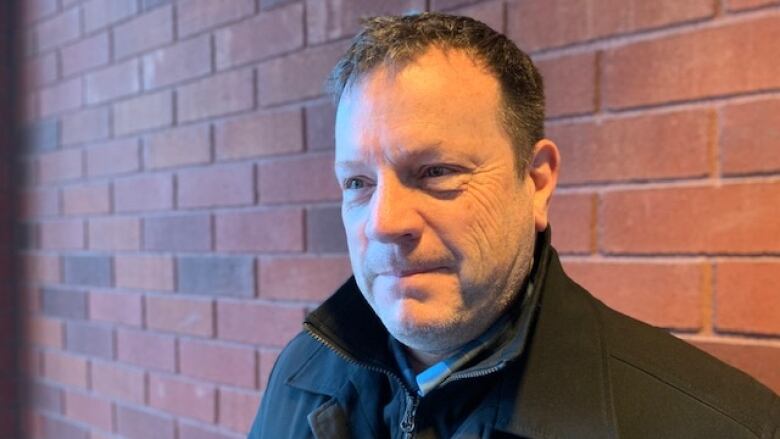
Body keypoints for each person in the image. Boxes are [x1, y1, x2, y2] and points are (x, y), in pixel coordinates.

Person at [248, 13, 779, 439]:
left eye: (436, 172)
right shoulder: (302, 372)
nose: (384, 224)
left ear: (537, 182)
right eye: (358, 184)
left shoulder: (721, 425)